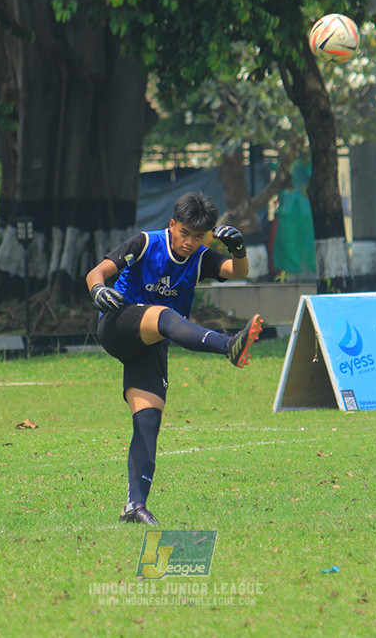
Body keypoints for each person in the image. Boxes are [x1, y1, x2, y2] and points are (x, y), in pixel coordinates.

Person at [85, 191, 263, 526]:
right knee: (165, 315)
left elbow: (238, 272)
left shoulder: (200, 257)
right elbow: (96, 273)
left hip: (151, 343)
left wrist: (239, 249)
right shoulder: (145, 243)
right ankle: (228, 346)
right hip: (118, 323)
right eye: (184, 234)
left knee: (148, 423)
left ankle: (134, 506)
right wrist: (98, 290)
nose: (189, 243)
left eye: (198, 237)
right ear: (172, 225)